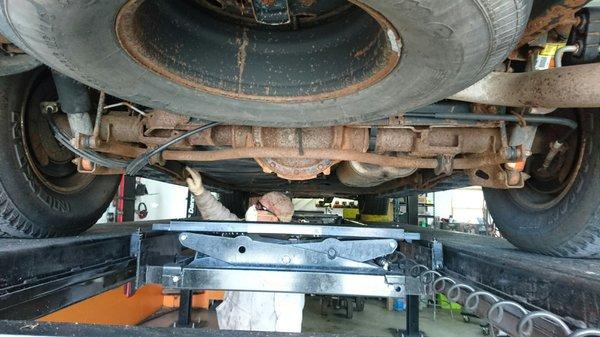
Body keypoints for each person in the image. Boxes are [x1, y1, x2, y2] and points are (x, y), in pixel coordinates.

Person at [185, 167, 305, 332]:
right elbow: (221, 218)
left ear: (274, 218)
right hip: (230, 325)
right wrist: (200, 193)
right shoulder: (247, 233)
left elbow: (290, 317)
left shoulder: (287, 258)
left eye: (259, 207)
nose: (253, 209)